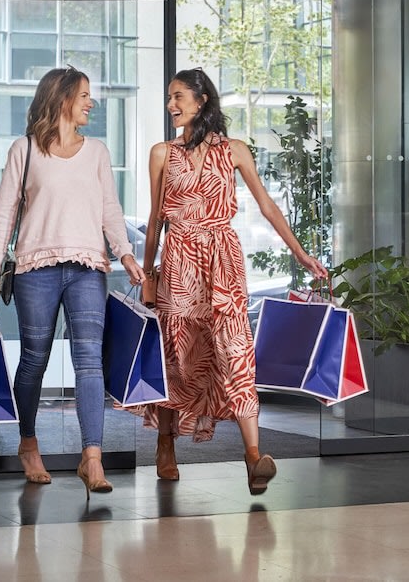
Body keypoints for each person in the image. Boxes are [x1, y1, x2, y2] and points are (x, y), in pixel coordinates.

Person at [134, 68, 328, 495]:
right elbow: (154, 222)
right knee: (177, 358)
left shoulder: (234, 150)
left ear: (202, 100)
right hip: (180, 263)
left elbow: (268, 207)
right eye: (169, 97)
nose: (171, 105)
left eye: (179, 96)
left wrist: (302, 255)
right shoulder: (162, 153)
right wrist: (148, 275)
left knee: (236, 354)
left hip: (223, 264)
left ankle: (253, 457)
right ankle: (166, 443)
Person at [0, 65, 146, 498]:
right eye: (84, 95)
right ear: (61, 99)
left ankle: (92, 457)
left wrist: (126, 254)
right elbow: (4, 215)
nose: (91, 102)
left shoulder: (97, 152)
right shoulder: (26, 150)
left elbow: (110, 211)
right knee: (34, 359)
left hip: (89, 268)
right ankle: (29, 442)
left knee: (89, 361)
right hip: (35, 269)